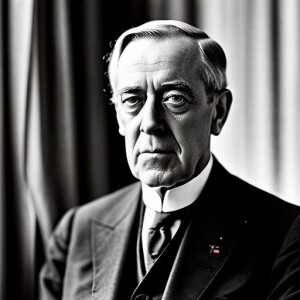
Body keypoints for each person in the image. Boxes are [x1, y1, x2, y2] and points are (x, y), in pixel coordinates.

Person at [39, 20, 300, 300]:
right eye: (132, 100)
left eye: (175, 98)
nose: (150, 123)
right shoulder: (77, 232)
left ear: (219, 112)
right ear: (118, 117)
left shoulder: (284, 233)